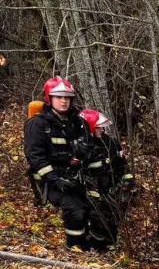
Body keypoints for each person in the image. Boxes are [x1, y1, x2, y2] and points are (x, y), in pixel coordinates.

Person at [24, 76, 93, 250]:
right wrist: (55, 179)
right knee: (74, 209)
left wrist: (84, 156)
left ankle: (92, 243)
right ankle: (75, 249)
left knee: (94, 206)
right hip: (50, 179)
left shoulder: (79, 123)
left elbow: (90, 146)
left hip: (76, 174)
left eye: (67, 97)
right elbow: (35, 157)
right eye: (58, 97)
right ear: (49, 98)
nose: (64, 101)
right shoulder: (38, 124)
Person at [79, 109, 135, 249]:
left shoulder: (112, 142)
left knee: (114, 216)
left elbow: (122, 163)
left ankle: (110, 245)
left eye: (103, 127)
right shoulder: (83, 145)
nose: (102, 130)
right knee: (96, 216)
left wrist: (128, 181)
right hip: (92, 187)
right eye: (98, 127)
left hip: (113, 185)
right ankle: (96, 246)